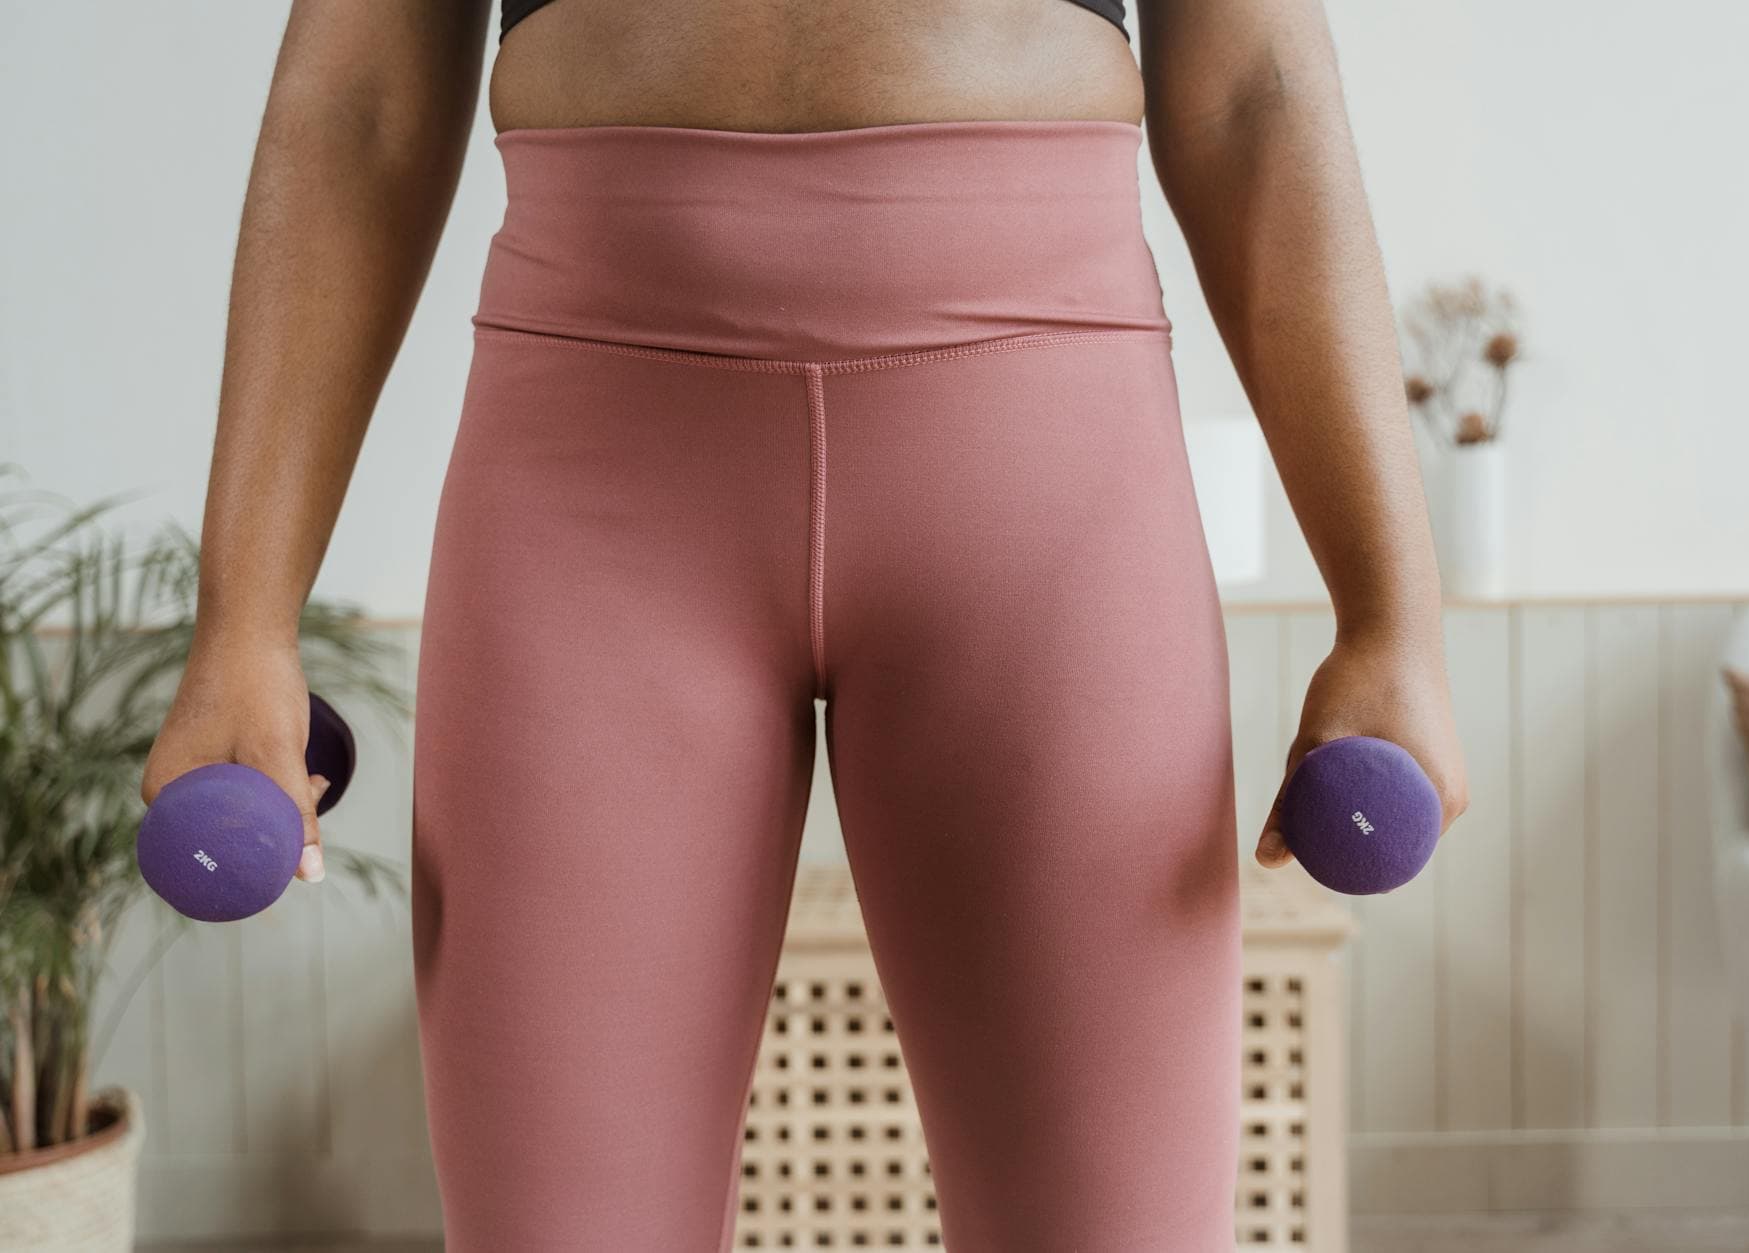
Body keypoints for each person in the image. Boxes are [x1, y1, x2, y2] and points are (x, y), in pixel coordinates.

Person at [141, 0, 1469, 1247]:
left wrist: (1391, 615)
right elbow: (356, 105)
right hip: (595, 485)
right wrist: (242, 622)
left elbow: (1258, 97)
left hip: (1042, 469)